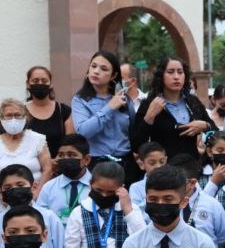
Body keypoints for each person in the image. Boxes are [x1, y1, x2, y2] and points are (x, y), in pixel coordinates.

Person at [73, 51, 139, 184]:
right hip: (97, 164)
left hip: (126, 163)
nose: (96, 71)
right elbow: (83, 131)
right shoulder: (80, 100)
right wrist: (109, 107)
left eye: (103, 69)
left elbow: (134, 130)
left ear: (113, 75)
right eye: (93, 66)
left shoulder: (123, 99)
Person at [131, 57, 212, 164]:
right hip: (164, 171)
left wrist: (205, 126)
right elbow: (137, 145)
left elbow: (214, 130)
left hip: (192, 168)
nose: (176, 77)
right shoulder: (150, 103)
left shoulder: (193, 102)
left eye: (180, 72)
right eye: (170, 72)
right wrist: (149, 117)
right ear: (161, 76)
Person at [0, 165, 66, 248]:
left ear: (34, 187)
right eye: (8, 187)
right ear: (1, 192)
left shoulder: (49, 217)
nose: (14, 190)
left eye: (20, 185)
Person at [0, 98, 52, 185]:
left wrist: (37, 193)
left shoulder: (37, 139)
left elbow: (48, 169)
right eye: (8, 115)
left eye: (17, 115)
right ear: (1, 119)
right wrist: (0, 196)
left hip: (35, 195)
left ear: (25, 117)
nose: (13, 119)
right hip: (3, 196)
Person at [36, 134, 92, 224]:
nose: (65, 159)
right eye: (61, 155)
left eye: (71, 155)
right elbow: (40, 219)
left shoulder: (98, 187)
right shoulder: (48, 188)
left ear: (86, 160)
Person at [25, 66, 75, 157]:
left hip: (58, 166)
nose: (40, 84)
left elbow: (70, 143)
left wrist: (55, 162)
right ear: (28, 84)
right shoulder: (21, 112)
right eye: (35, 81)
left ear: (51, 84)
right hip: (30, 167)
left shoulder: (64, 111)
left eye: (44, 81)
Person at [128, 141, 168, 210]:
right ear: (141, 164)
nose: (158, 166)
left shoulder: (174, 184)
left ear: (166, 160)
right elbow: (136, 213)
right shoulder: (136, 188)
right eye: (152, 163)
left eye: (162, 162)